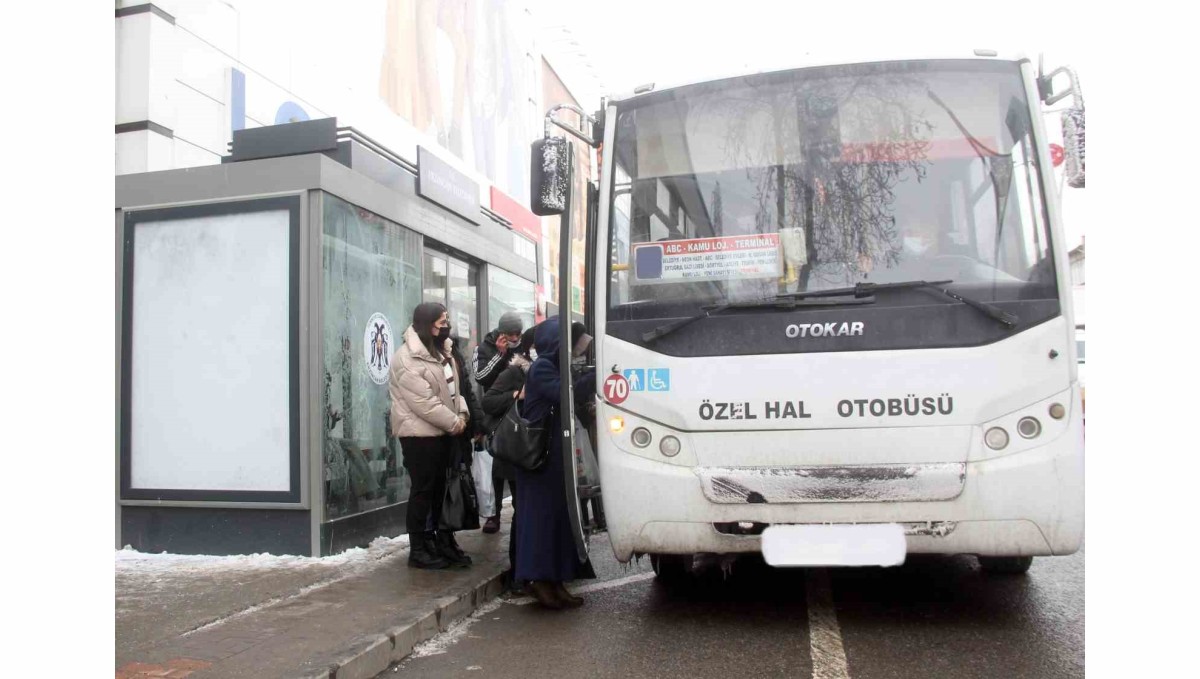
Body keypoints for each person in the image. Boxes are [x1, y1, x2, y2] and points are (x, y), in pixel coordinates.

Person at [515, 318, 597, 609]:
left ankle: (557, 579)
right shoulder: (542, 368)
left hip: (553, 457)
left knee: (560, 519)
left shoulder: (554, 367)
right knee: (541, 520)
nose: (576, 351)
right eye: (572, 345)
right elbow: (566, 394)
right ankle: (539, 579)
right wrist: (597, 375)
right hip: (540, 459)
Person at [389, 302, 471, 570]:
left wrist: (463, 414)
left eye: (446, 319)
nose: (445, 325)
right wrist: (455, 424)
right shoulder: (407, 358)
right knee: (423, 491)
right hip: (419, 437)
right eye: (441, 320)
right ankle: (418, 549)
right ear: (427, 324)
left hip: (443, 433)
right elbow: (424, 403)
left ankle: (435, 541)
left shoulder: (441, 352)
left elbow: (455, 391)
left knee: (438, 491)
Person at [480, 325, 536, 589]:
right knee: (522, 510)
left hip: (530, 452)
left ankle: (525, 571)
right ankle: (518, 572)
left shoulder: (541, 370)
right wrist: (517, 394)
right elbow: (488, 401)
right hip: (515, 451)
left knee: (526, 509)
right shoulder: (515, 371)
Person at [475, 311, 524, 532]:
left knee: (514, 464)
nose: (515, 338)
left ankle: (519, 508)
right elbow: (481, 377)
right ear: (502, 333)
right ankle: (493, 514)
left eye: (518, 334)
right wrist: (500, 355)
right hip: (495, 414)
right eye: (511, 334)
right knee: (495, 467)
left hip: (517, 414)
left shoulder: (523, 347)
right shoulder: (485, 348)